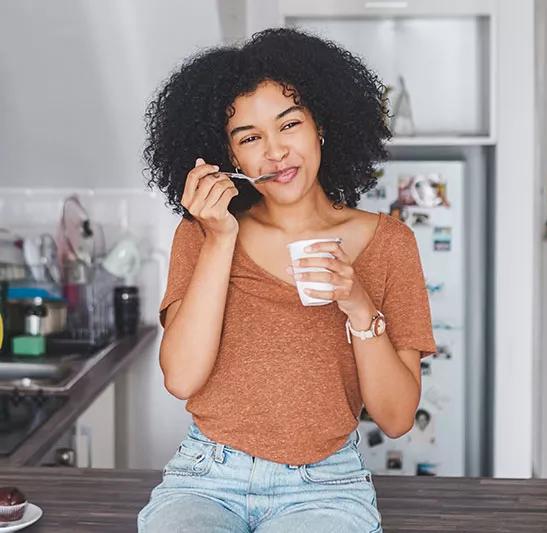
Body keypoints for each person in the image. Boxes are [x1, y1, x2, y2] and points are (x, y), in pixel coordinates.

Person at [136, 28, 436, 533]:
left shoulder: (389, 244)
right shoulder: (203, 233)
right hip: (206, 478)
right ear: (233, 159)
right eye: (250, 137)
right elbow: (181, 378)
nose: (275, 152)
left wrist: (359, 305)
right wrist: (218, 239)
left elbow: (397, 418)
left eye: (289, 124)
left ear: (321, 126)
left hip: (327, 487)